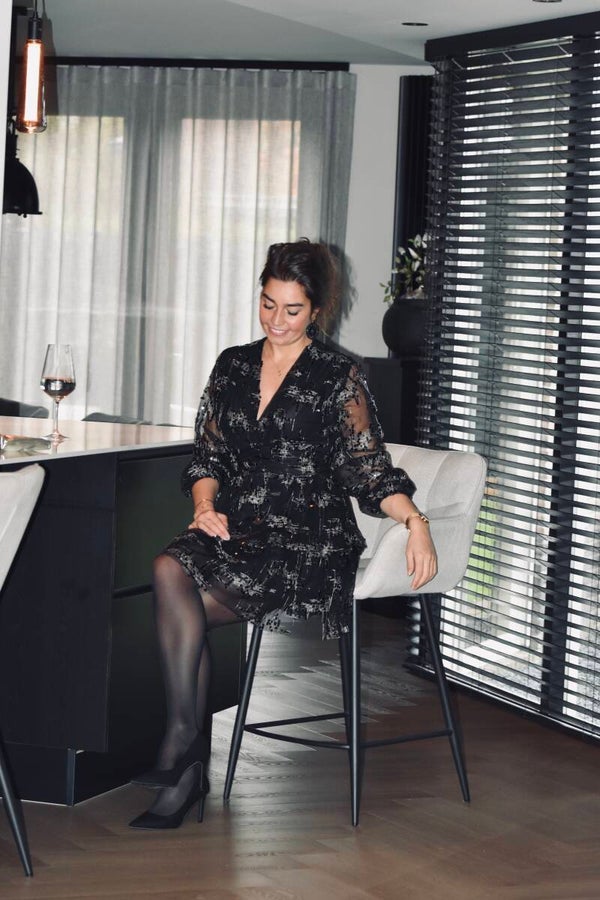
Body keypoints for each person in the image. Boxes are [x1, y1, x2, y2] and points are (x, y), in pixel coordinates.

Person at [129, 239, 437, 830]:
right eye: (268, 304)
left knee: (182, 606)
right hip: (237, 526)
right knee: (169, 569)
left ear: (316, 310)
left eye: (292, 309)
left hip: (308, 539)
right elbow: (207, 456)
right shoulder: (233, 364)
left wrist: (414, 521)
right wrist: (204, 507)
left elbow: (367, 468)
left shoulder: (338, 376)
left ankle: (182, 755)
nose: (276, 320)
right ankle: (186, 747)